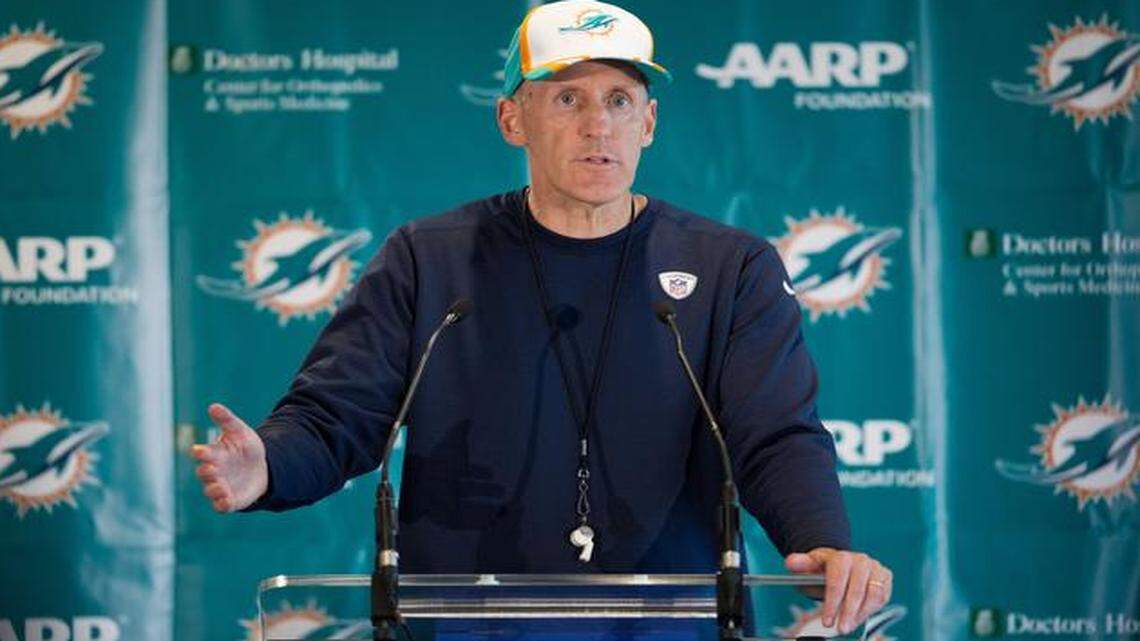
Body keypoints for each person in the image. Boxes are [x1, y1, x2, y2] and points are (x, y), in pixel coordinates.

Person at [189, 0, 893, 634]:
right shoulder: (427, 260)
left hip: (662, 624)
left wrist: (820, 534)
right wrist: (270, 465)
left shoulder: (730, 266)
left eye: (620, 99)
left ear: (648, 122)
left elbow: (774, 431)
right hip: (470, 624)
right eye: (567, 98)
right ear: (511, 118)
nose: (598, 124)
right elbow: (336, 415)